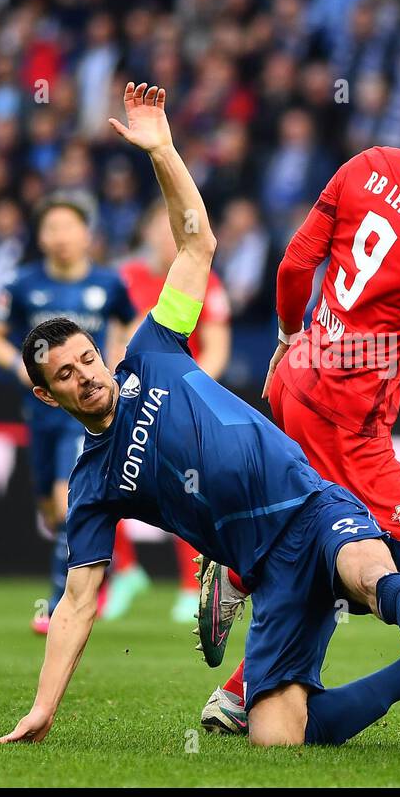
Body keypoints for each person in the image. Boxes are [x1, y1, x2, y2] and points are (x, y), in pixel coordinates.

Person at [0, 83, 400, 749]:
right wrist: (43, 708)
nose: (86, 377)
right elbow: (77, 602)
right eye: (66, 376)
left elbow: (197, 243)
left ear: (102, 349)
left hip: (313, 507)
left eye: (87, 359)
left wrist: (164, 151)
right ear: (47, 397)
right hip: (272, 570)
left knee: (373, 572)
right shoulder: (94, 484)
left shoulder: (150, 350)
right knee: (277, 737)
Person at [196, 75, 400, 735]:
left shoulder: (368, 164)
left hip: (299, 374)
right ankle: (243, 580)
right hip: (350, 415)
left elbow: (293, 268)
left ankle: (242, 670)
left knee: (341, 556)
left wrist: (288, 337)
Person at [0, 195, 134, 635]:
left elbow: (131, 320)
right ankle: (110, 560)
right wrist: (21, 369)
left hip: (83, 410)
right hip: (42, 410)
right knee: (51, 511)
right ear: (41, 236)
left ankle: (55, 606)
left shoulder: (109, 283)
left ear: (87, 234)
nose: (61, 237)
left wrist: (116, 360)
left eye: (69, 227)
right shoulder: (23, 285)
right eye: (52, 228)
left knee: (68, 502)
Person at [106, 200, 233, 625]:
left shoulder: (205, 281)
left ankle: (189, 584)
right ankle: (124, 571)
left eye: (173, 229)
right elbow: (116, 339)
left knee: (186, 489)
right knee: (104, 479)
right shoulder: (128, 279)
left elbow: (216, 346)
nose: (165, 238)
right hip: (133, 397)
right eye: (158, 231)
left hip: (182, 403)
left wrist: (191, 387)